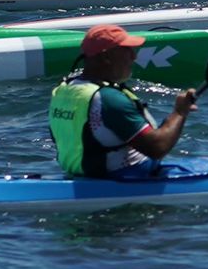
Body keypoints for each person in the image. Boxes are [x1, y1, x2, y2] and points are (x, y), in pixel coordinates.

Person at [47, 24, 199, 179]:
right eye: (127, 50)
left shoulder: (63, 90)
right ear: (106, 57)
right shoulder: (108, 99)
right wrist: (180, 112)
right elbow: (158, 147)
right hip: (124, 178)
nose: (134, 57)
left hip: (79, 176)